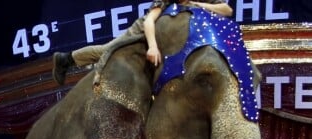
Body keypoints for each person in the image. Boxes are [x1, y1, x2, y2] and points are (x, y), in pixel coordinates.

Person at [52, 0, 233, 85]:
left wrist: (197, 4)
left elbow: (227, 10)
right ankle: (65, 60)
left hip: (174, 36)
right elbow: (149, 22)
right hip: (145, 31)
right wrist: (152, 46)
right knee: (108, 50)